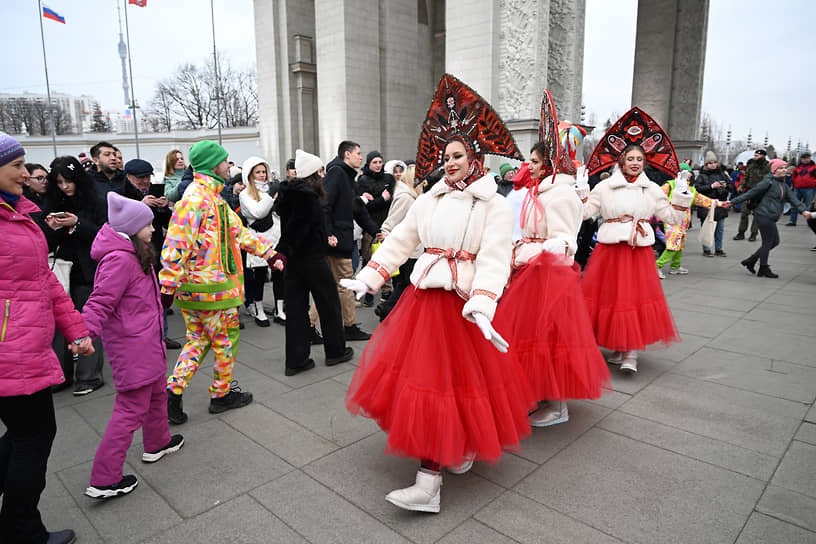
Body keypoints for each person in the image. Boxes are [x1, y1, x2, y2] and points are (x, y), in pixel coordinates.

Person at [341, 74, 534, 514]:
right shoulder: (429, 199)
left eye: (458, 155)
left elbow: (495, 258)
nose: (449, 163)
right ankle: (447, 457)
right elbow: (401, 242)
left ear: (476, 158)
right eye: (445, 155)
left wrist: (484, 304)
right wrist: (369, 277)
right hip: (424, 303)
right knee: (432, 385)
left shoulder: (494, 206)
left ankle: (430, 483)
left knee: (453, 386)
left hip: (464, 308)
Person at [494, 92, 609, 427]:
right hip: (531, 272)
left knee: (552, 340)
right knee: (532, 340)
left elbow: (562, 240)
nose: (528, 165)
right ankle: (541, 395)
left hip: (550, 277)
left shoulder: (559, 194)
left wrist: (527, 251)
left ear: (549, 163)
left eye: (534, 160)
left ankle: (558, 406)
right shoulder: (540, 190)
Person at [0, 132, 92, 544]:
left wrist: (75, 329)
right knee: (34, 437)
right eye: (17, 166)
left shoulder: (18, 212)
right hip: (10, 348)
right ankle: (22, 531)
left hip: (24, 342)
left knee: (25, 435)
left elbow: (43, 281)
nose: (26, 173)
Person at [160, 140, 286, 425]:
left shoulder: (211, 198)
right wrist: (166, 286)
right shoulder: (199, 199)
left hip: (198, 290)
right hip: (211, 290)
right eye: (226, 161)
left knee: (197, 340)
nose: (229, 165)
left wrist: (269, 253)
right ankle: (221, 394)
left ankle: (172, 394)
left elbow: (239, 233)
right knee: (225, 341)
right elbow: (175, 243)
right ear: (212, 165)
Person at [82, 193, 184, 499]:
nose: (153, 230)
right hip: (133, 349)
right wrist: (83, 334)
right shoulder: (119, 259)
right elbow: (99, 303)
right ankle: (104, 478)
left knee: (156, 396)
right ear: (131, 227)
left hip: (147, 343)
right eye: (148, 225)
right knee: (129, 411)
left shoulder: (134, 252)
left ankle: (157, 443)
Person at [582, 107, 695, 373]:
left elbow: (672, 218)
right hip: (609, 251)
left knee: (633, 300)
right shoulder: (604, 187)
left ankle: (630, 350)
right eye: (630, 158)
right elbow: (585, 213)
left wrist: (680, 195)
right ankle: (619, 346)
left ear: (645, 163)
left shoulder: (652, 189)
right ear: (621, 161)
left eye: (639, 159)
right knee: (611, 300)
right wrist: (580, 192)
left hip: (638, 252)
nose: (635, 162)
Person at [275, 150, 353, 376]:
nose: (323, 175)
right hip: (310, 258)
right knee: (329, 303)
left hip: (294, 261)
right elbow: (300, 229)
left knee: (296, 310)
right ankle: (336, 351)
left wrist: (285, 252)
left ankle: (296, 360)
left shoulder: (288, 193)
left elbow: (291, 227)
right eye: (320, 171)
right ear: (312, 174)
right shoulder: (307, 197)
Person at [41, 156, 108, 395]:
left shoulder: (95, 199)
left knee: (88, 321)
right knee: (60, 325)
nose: (64, 186)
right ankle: (60, 374)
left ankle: (89, 376)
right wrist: (52, 228)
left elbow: (105, 234)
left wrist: (77, 224)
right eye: (58, 182)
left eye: (68, 181)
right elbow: (45, 243)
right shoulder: (51, 201)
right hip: (62, 270)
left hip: (89, 269)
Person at [122, 159, 179, 349]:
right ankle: (143, 337)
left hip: (155, 250)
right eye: (141, 178)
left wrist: (163, 208)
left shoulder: (153, 191)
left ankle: (162, 334)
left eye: (147, 177)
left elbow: (166, 223)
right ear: (128, 177)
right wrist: (141, 205)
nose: (145, 181)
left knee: (158, 292)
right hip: (133, 252)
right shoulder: (121, 193)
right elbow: (121, 222)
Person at [321, 141, 372, 341]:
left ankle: (310, 325)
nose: (361, 157)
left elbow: (355, 209)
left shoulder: (347, 176)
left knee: (332, 286)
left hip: (339, 240)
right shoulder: (338, 173)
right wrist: (329, 234)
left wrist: (375, 231)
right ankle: (349, 327)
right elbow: (325, 204)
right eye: (358, 153)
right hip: (337, 241)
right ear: (347, 155)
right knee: (345, 284)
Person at [730, 159, 811, 278]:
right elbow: (750, 193)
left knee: (775, 241)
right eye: (781, 168)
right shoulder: (768, 181)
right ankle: (763, 268)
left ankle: (751, 260)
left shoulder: (783, 184)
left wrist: (803, 210)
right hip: (764, 214)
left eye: (785, 167)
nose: (784, 170)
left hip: (771, 215)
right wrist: (731, 202)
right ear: (774, 170)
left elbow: (793, 198)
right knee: (768, 242)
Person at [655, 162, 726, 278]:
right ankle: (657, 266)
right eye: (687, 172)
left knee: (680, 244)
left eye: (689, 172)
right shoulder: (670, 185)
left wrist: (720, 203)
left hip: (683, 222)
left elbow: (702, 200)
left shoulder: (691, 189)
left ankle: (675, 267)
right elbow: (656, 196)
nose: (690, 175)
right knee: (674, 245)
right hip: (671, 220)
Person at [374, 164, 422, 321]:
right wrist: (387, 235)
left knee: (404, 285)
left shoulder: (408, 196)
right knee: (407, 286)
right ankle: (388, 309)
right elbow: (391, 222)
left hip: (410, 250)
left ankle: (389, 311)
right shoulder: (406, 198)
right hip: (408, 251)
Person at [238, 156, 281, 327]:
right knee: (259, 276)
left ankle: (280, 309)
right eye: (258, 172)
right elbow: (258, 212)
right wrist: (271, 197)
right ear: (250, 175)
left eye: (264, 172)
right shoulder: (245, 193)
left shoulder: (269, 189)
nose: (262, 175)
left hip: (275, 236)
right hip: (257, 239)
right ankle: (259, 310)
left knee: (279, 274)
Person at [357, 150, 395, 306]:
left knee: (387, 260)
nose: (378, 165)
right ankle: (367, 294)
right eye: (375, 162)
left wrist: (380, 200)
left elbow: (393, 200)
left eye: (380, 162)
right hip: (369, 226)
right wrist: (382, 199)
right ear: (369, 163)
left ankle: (386, 292)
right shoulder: (363, 180)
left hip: (387, 226)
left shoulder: (389, 178)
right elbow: (365, 207)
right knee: (368, 260)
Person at [694, 151, 734, 257]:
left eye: (714, 162)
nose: (713, 165)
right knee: (707, 228)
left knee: (719, 229)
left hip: (720, 205)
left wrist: (726, 186)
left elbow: (732, 187)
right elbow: (697, 189)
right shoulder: (701, 176)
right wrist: (711, 186)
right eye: (710, 163)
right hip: (706, 205)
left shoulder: (722, 174)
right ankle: (706, 249)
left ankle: (719, 249)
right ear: (706, 165)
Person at [733, 149, 769, 241]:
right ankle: (741, 233)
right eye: (755, 155)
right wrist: (741, 186)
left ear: (763, 156)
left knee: (757, 215)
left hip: (760, 193)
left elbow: (769, 180)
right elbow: (746, 177)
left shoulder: (767, 167)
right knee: (744, 213)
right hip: (749, 192)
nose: (755, 157)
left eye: (757, 155)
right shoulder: (751, 165)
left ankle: (753, 234)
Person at [787, 152, 815, 226]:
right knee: (794, 204)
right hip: (797, 188)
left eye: (808, 158)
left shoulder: (814, 167)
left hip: (809, 188)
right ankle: (792, 221)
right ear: (801, 159)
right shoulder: (796, 168)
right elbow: (793, 177)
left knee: (809, 205)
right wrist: (793, 185)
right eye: (804, 158)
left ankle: (810, 222)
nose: (806, 159)